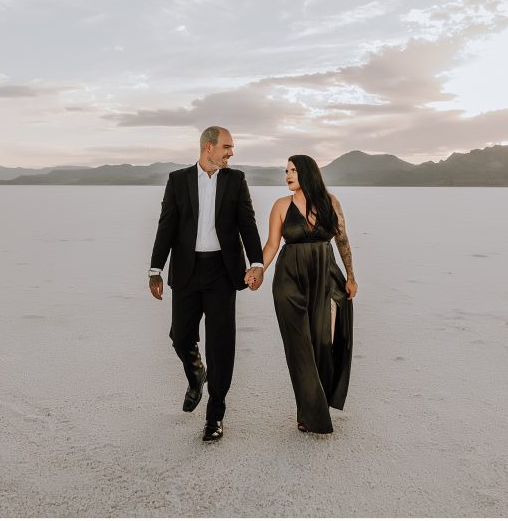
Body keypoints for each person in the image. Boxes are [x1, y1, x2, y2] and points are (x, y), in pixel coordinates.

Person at [149, 126, 264, 442]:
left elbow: (248, 224)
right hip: (186, 269)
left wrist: (256, 264)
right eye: (227, 146)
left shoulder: (235, 181)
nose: (231, 152)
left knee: (220, 343)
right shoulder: (178, 180)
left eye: (232, 147)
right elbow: (166, 226)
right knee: (181, 335)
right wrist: (155, 269)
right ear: (208, 147)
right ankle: (196, 371)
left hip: (222, 272)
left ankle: (215, 414)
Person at [248, 154, 357, 434]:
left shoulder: (330, 202)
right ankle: (310, 413)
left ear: (308, 172)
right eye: (286, 171)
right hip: (290, 280)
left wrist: (351, 277)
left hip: (326, 277)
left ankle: (315, 404)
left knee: (322, 343)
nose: (287, 175)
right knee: (300, 348)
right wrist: (258, 269)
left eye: (293, 170)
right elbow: (272, 244)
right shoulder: (281, 206)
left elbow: (342, 239)